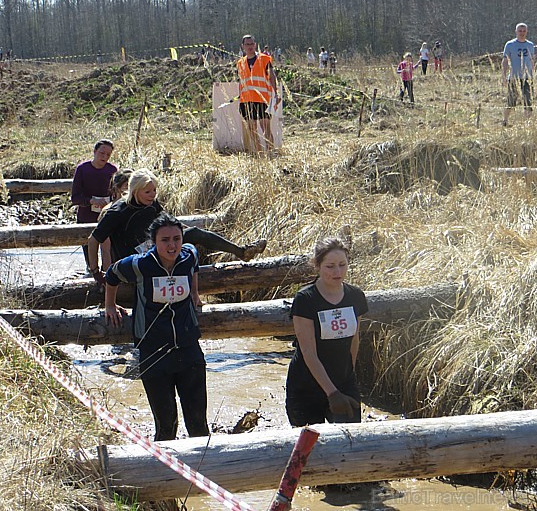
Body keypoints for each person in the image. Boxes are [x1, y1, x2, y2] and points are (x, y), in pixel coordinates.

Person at [105, 212, 209, 441]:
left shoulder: (187, 255)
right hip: (153, 351)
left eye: (176, 239)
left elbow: (194, 263)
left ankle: (201, 471)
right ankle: (167, 474)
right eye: (165, 240)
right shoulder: (141, 264)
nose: (172, 245)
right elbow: (111, 274)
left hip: (188, 347)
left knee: (198, 423)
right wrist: (110, 305)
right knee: (165, 425)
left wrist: (195, 291)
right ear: (153, 241)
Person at [86, 167, 267, 284]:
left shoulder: (152, 203)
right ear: (135, 191)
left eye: (155, 190)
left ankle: (242, 252)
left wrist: (184, 233)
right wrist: (96, 272)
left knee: (194, 232)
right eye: (147, 191)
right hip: (133, 260)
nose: (152, 195)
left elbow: (170, 223)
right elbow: (93, 240)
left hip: (153, 247)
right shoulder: (118, 211)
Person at [285, 237, 368, 426]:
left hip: (343, 382)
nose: (337, 272)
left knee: (350, 446)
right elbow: (308, 352)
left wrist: (347, 376)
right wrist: (332, 393)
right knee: (309, 450)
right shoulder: (305, 299)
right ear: (318, 265)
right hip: (306, 387)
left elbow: (354, 339)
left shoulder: (356, 296)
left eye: (342, 265)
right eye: (330, 266)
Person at [71, 139, 117, 273]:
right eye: (102, 153)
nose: (104, 157)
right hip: (86, 216)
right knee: (89, 259)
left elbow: (118, 194)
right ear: (95, 152)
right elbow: (75, 198)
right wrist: (92, 201)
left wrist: (110, 203)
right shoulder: (82, 169)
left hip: (107, 217)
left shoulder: (112, 170)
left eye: (108, 155)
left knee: (109, 254)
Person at [237, 34, 279, 156]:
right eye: (247, 44)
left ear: (255, 45)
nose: (250, 46)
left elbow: (272, 76)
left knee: (266, 127)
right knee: (252, 129)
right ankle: (260, 154)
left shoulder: (264, 59)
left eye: (251, 44)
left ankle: (270, 153)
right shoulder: (240, 63)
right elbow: (241, 81)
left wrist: (275, 94)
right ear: (243, 46)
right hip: (246, 100)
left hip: (262, 99)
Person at [502, 22, 535, 127]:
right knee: (511, 102)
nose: (522, 33)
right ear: (516, 32)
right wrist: (503, 75)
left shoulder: (530, 45)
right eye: (520, 31)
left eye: (524, 31)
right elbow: (505, 61)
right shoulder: (510, 44)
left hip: (527, 79)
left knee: (528, 102)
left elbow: (532, 60)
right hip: (513, 78)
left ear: (527, 32)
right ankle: (505, 121)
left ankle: (527, 124)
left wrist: (532, 74)